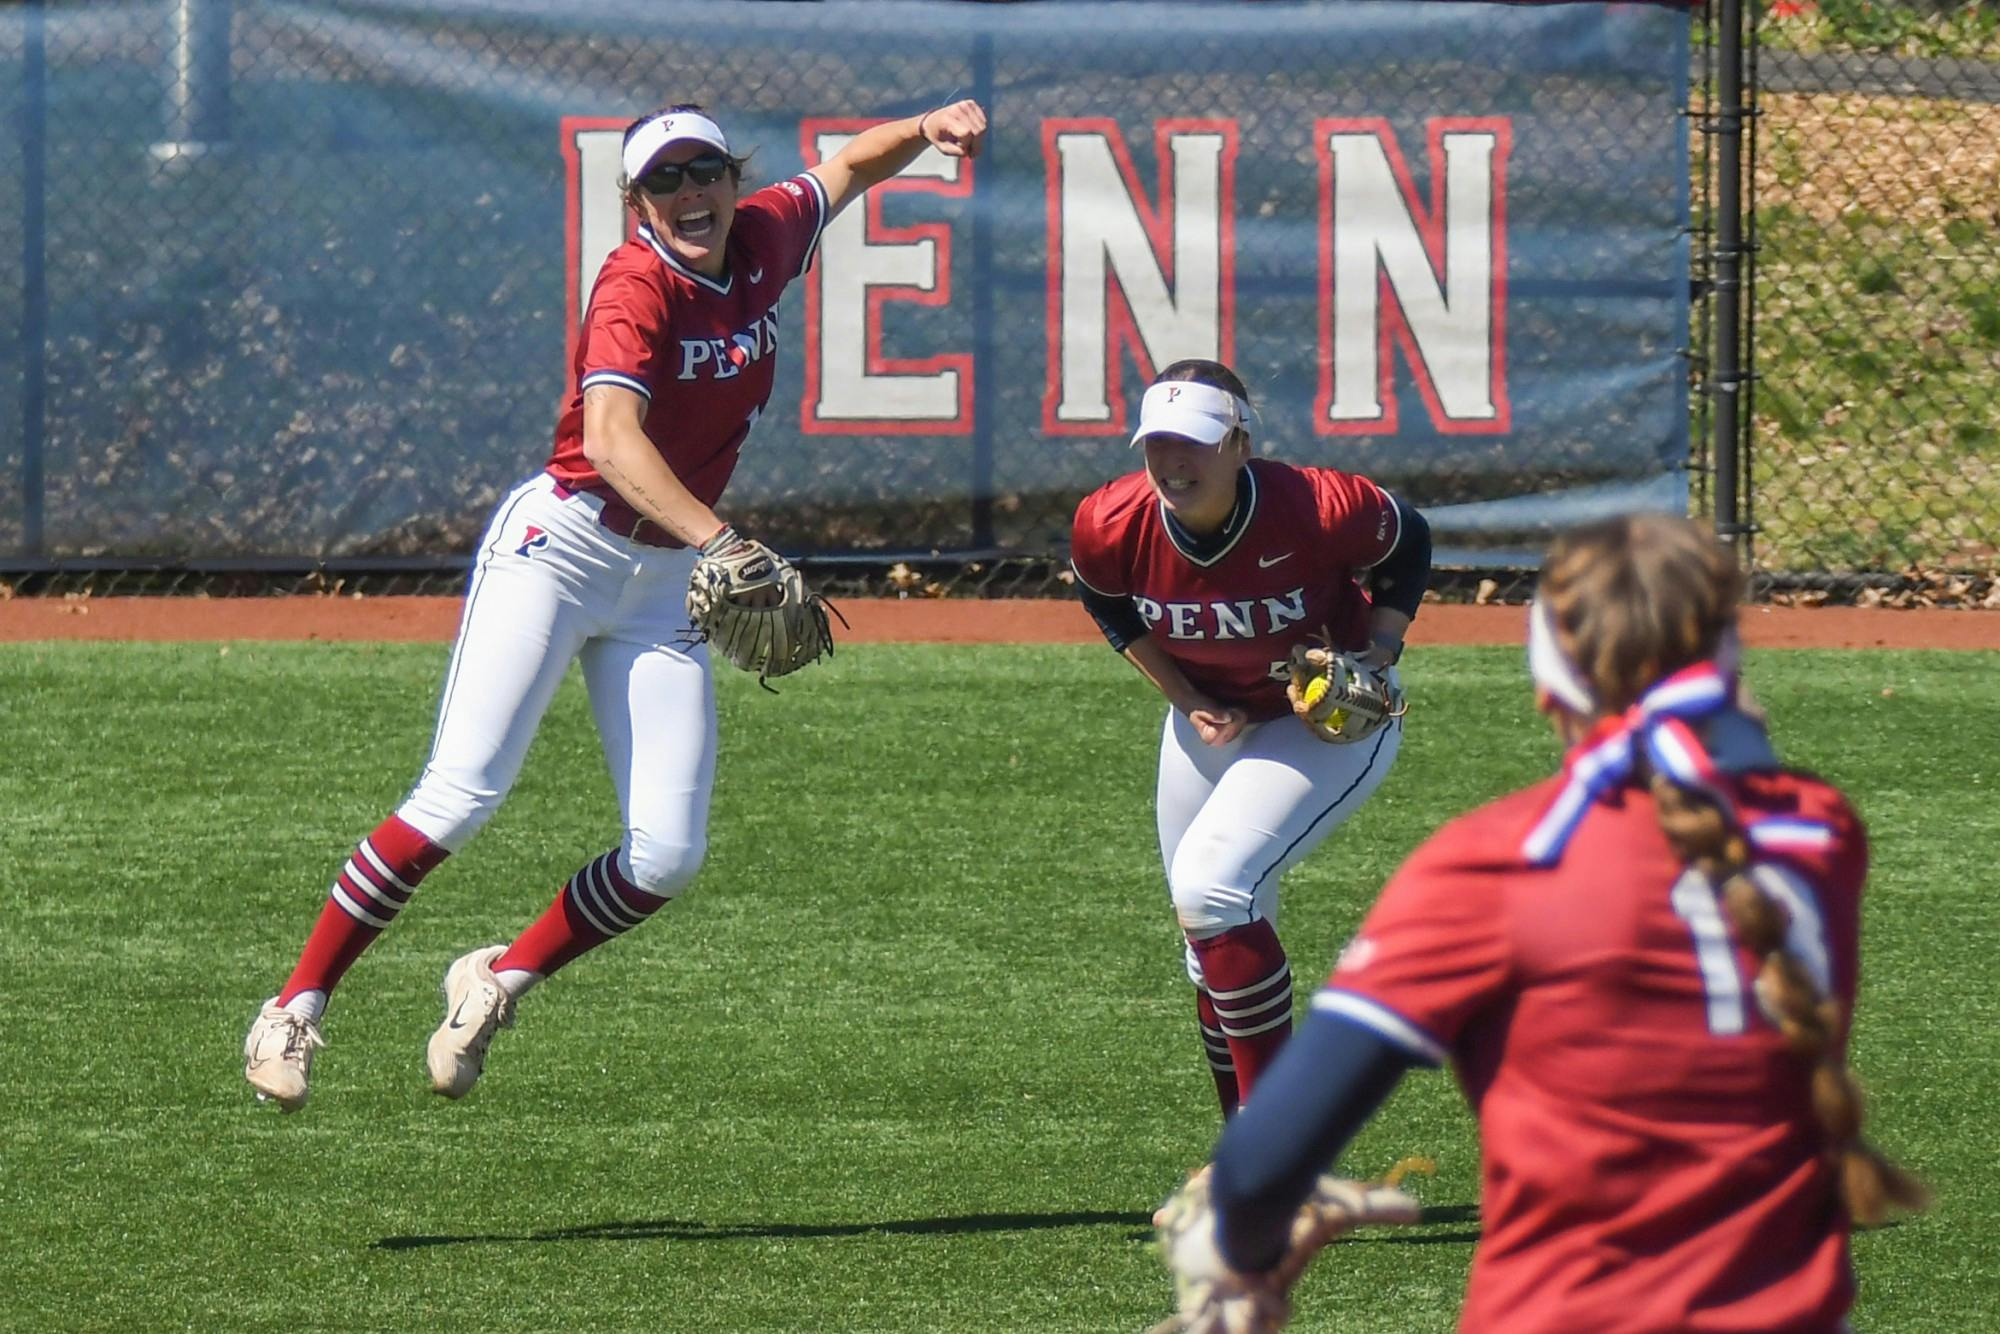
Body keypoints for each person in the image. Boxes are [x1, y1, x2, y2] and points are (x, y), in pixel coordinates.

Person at [243, 97, 989, 1112]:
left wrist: (926, 125)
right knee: (460, 793)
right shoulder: (637, 280)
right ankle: (294, 1005)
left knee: (669, 855)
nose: (689, 193)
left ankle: (497, 979)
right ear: (636, 200)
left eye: (703, 172)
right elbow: (609, 439)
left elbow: (851, 166)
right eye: (665, 181)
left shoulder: (765, 231)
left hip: (659, 584)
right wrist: (720, 539)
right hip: (558, 550)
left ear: (732, 177)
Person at [1178, 513, 1926, 1331]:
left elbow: (1259, 1166)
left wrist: (1244, 1260)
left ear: (1546, 688)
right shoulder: (1822, 834)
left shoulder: (1494, 866)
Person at [1068, 358, 1432, 1120]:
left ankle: (1272, 1168)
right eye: (1158, 443)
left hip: (1322, 727)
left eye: (1195, 442)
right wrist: (1186, 697)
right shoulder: (1109, 523)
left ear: (1239, 443)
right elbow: (1109, 606)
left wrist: (1382, 648)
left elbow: (1408, 543)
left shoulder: (1319, 505)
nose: (1173, 461)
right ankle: (1246, 1154)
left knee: (1208, 891)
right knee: (1207, 940)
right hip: (1210, 724)